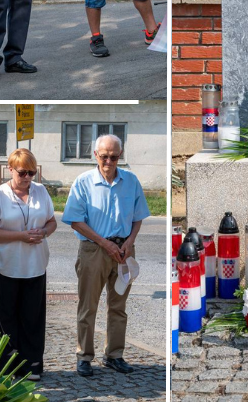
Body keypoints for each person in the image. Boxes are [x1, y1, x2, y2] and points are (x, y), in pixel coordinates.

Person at [61, 133, 149, 378]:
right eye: (104, 156)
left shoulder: (131, 181)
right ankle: (84, 357)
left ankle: (114, 355)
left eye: (114, 156)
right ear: (95, 155)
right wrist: (104, 243)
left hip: (124, 251)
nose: (109, 161)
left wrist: (130, 242)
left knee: (118, 307)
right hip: (94, 250)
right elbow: (75, 221)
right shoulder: (83, 181)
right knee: (88, 306)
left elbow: (138, 216)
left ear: (120, 156)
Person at [0, 148, 57, 380]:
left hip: (35, 264)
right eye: (22, 172)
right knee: (5, 317)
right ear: (11, 169)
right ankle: (5, 365)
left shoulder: (41, 191)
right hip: (5, 264)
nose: (27, 178)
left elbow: (52, 222)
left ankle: (32, 363)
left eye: (32, 173)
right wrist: (20, 236)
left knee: (32, 316)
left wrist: (44, 232)